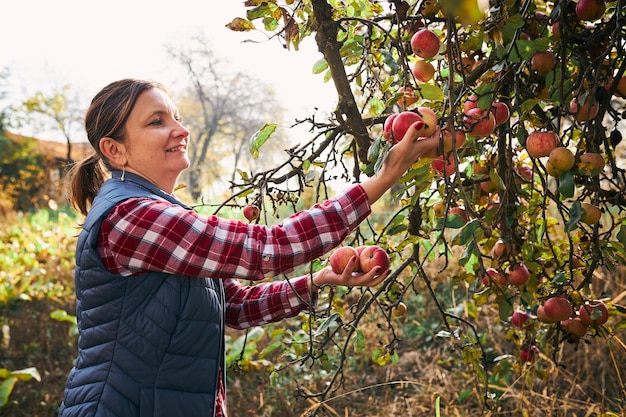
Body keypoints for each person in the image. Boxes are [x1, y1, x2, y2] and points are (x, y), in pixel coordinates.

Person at [58, 78, 440, 417]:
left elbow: (236, 308)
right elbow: (267, 249)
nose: (181, 129)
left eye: (175, 117)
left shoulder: (161, 213)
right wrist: (385, 175)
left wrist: (320, 279)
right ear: (115, 149)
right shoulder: (130, 218)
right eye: (157, 121)